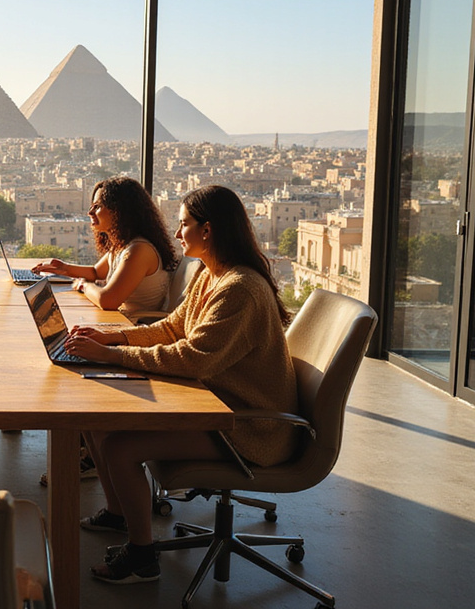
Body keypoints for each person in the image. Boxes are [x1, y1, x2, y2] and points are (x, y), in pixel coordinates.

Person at [64, 184, 299, 585]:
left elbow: (192, 358)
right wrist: (113, 338)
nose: (176, 234)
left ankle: (141, 557)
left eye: (184, 224)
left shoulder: (239, 289)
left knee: (121, 446)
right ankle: (121, 516)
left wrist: (113, 356)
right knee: (99, 423)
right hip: (220, 406)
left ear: (207, 230)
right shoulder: (214, 275)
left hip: (250, 426)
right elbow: (174, 327)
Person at [31, 177, 177, 320]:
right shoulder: (122, 246)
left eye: (97, 206)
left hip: (134, 326)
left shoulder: (139, 250)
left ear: (119, 211)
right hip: (121, 320)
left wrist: (84, 286)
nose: (90, 212)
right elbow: (96, 272)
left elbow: (108, 301)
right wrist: (64, 269)